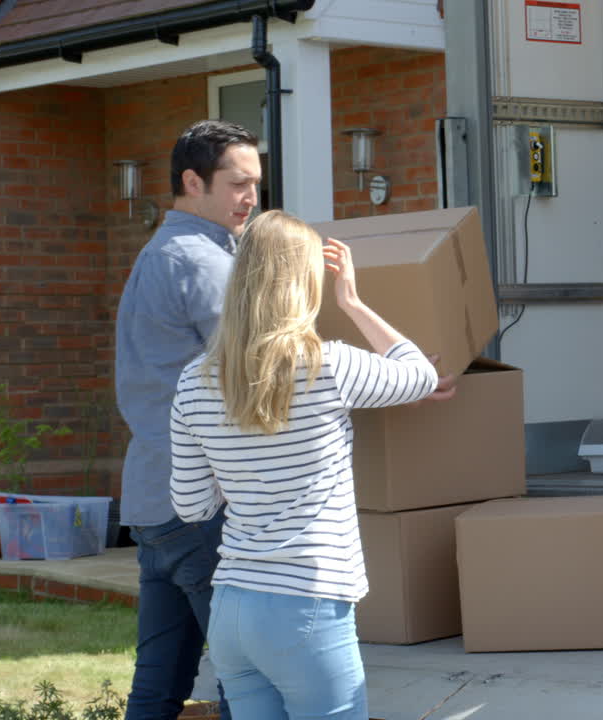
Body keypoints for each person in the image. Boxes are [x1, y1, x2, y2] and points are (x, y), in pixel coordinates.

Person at [168, 210, 451, 719]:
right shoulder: (328, 365)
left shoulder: (193, 381)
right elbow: (420, 374)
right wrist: (354, 301)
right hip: (307, 604)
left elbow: (191, 506)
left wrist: (245, 475)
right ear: (303, 282)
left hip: (232, 606)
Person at [116, 119, 262, 720]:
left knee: (159, 682)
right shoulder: (206, 265)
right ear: (192, 181)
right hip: (203, 503)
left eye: (256, 183)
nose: (250, 198)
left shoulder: (156, 254)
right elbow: (257, 377)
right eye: (236, 184)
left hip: (154, 502)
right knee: (247, 680)